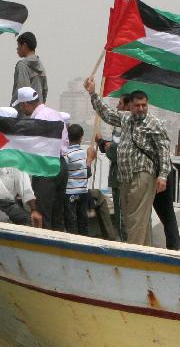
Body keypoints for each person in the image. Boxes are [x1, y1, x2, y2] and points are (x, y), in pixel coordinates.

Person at [84, 77, 171, 247]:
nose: (140, 109)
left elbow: (163, 150)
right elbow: (106, 113)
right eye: (137, 106)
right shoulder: (125, 119)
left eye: (143, 105)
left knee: (135, 219)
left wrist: (163, 176)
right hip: (125, 177)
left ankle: (133, 254)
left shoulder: (154, 124)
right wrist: (93, 93)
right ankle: (143, 254)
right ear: (130, 106)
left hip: (143, 175)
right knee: (130, 217)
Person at [14, 86, 68, 231]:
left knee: (42, 214)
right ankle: (60, 249)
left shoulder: (37, 119)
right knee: (58, 214)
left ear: (26, 104)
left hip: (45, 166)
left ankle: (46, 248)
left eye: (21, 106)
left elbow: (33, 147)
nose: (21, 110)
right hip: (61, 164)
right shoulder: (56, 114)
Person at [95, 94, 130, 241]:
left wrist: (104, 144)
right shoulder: (121, 127)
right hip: (118, 177)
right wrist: (105, 144)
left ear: (128, 106)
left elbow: (116, 151)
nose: (117, 106)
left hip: (122, 177)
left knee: (122, 216)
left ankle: (127, 246)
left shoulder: (127, 125)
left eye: (120, 103)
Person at [64, 124, 96, 236]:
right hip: (83, 193)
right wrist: (90, 159)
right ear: (81, 137)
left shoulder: (65, 154)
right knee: (83, 222)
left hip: (69, 193)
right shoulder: (84, 154)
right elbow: (88, 173)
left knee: (71, 222)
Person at [11, 32, 48, 107]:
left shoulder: (22, 65)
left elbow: (21, 92)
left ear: (24, 46)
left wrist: (11, 110)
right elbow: (45, 90)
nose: (17, 49)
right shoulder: (41, 66)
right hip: (37, 115)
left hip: (24, 116)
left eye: (18, 46)